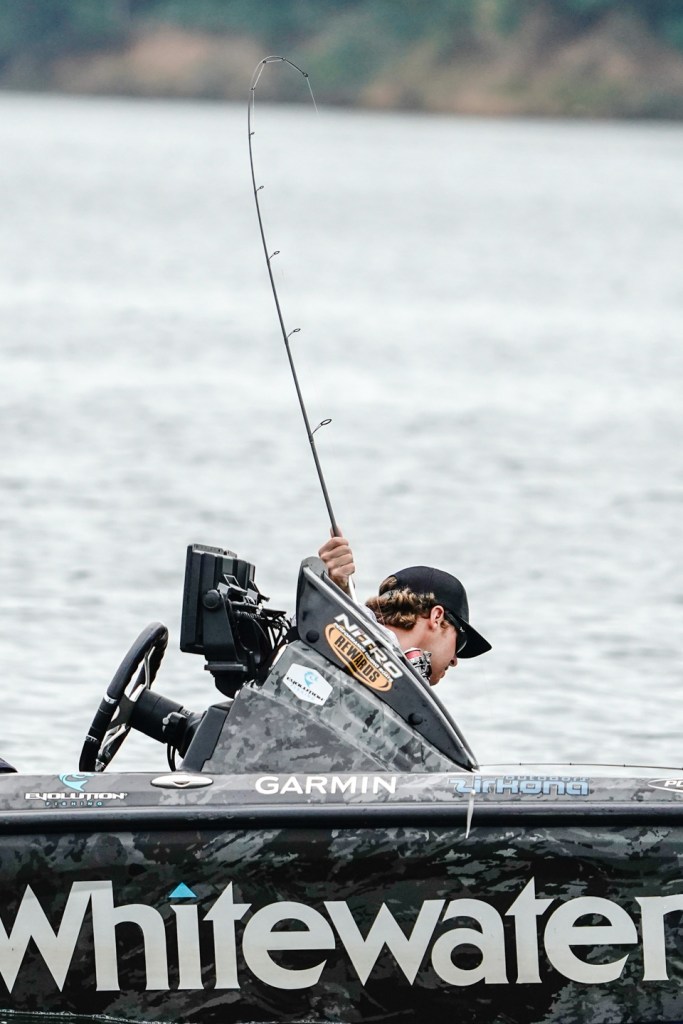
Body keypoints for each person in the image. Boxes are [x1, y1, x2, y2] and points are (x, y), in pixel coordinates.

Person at [318, 534, 491, 685]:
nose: (454, 661)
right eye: (460, 642)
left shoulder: (404, 693)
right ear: (437, 617)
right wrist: (331, 591)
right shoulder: (334, 626)